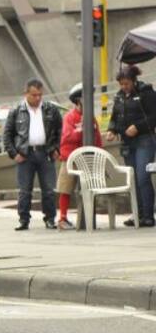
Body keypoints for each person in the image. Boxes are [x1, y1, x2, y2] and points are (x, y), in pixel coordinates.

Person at [2, 78, 63, 231]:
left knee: (49, 189)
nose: (37, 98)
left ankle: (50, 219)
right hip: (25, 154)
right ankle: (24, 220)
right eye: (34, 95)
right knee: (24, 190)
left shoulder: (50, 109)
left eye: (40, 95)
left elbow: (60, 131)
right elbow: (7, 135)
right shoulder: (17, 111)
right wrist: (14, 154)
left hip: (46, 153)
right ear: (26, 94)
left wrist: (56, 149)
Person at [106, 65, 156, 227]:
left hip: (144, 140)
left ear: (134, 81)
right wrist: (112, 130)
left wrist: (138, 127)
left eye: (126, 83)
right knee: (133, 179)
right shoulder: (119, 96)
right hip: (127, 142)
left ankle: (148, 215)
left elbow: (153, 116)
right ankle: (137, 214)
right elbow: (115, 116)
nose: (124, 87)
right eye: (121, 84)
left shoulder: (146, 93)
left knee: (142, 177)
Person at [56, 84, 101, 230]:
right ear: (78, 100)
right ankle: (62, 218)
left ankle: (87, 219)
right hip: (70, 158)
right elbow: (67, 137)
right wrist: (81, 130)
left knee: (89, 188)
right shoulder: (69, 117)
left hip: (88, 158)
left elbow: (97, 137)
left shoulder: (91, 118)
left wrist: (98, 153)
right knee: (65, 187)